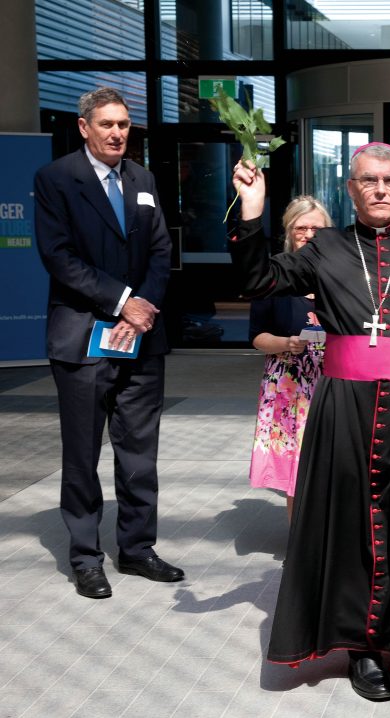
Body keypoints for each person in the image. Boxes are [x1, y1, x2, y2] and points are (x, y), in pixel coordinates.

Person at [229, 143, 390, 718]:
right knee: (351, 530)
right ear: (351, 188)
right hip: (341, 412)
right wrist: (252, 211)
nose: (380, 189)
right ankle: (363, 648)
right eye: (368, 180)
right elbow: (257, 278)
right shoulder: (326, 248)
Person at [33, 87, 183, 600]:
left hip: (142, 337)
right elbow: (58, 257)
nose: (118, 133)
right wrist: (123, 301)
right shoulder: (56, 179)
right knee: (81, 454)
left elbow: (161, 251)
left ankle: (138, 550)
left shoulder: (142, 179)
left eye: (124, 124)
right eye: (107, 125)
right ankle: (85, 556)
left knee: (140, 454)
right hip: (84, 337)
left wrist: (141, 312)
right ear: (84, 127)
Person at [248, 196, 333, 522]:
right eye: (302, 227)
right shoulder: (274, 274)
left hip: (331, 383)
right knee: (295, 473)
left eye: (316, 227)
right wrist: (286, 342)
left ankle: (331, 542)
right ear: (289, 230)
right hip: (289, 388)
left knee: (332, 465)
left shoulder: (341, 274)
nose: (309, 234)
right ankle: (299, 545)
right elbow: (257, 337)